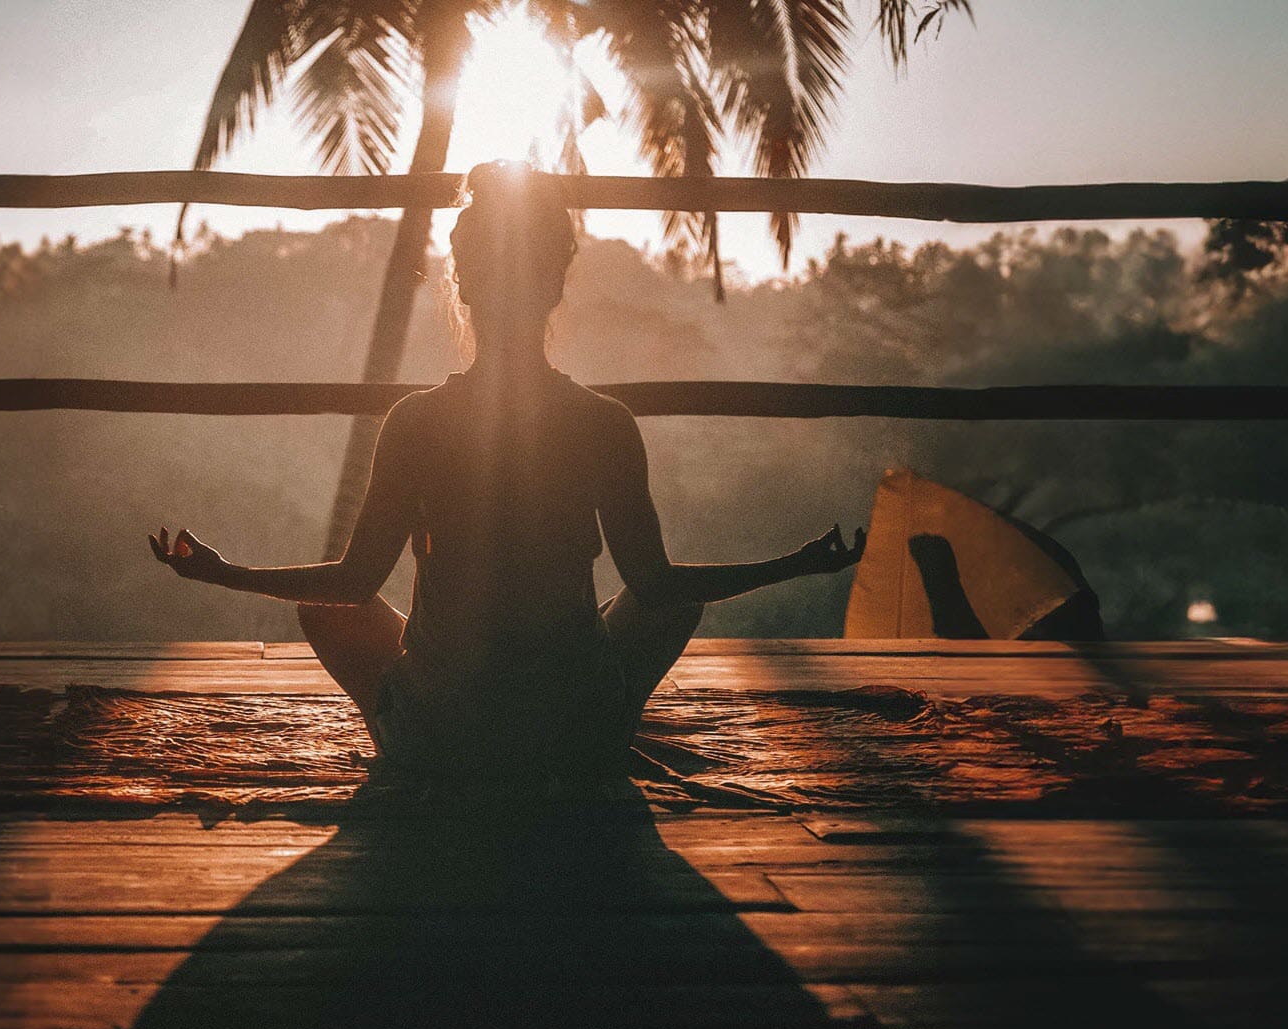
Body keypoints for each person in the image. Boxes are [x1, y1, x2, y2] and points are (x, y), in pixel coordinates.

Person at [149, 161, 865, 781]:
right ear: (555, 288)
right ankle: (602, 727)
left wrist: (223, 572)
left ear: (463, 286)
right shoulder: (603, 422)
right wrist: (795, 564)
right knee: (672, 599)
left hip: (442, 740)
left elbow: (352, 583)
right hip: (572, 734)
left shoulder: (417, 422)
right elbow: (656, 585)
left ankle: (411, 737)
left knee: (327, 609)